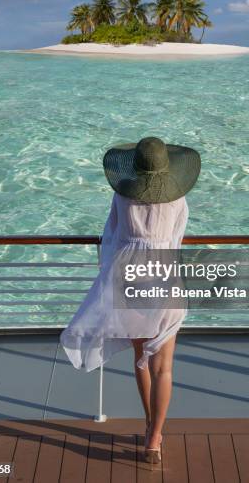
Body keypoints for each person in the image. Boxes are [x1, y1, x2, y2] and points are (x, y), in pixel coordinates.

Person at [60, 136, 201, 465]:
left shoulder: (123, 196)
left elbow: (111, 238)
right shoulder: (178, 200)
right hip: (166, 279)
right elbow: (176, 242)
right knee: (164, 366)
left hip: (130, 280)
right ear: (167, 167)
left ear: (136, 165)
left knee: (141, 357)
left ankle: (149, 422)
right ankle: (154, 439)